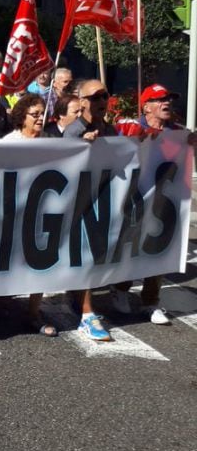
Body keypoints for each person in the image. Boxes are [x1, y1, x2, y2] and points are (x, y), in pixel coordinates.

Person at [111, 84, 197, 325]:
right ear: (146, 106)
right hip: (133, 199)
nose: (166, 102)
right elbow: (108, 150)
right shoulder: (128, 126)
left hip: (163, 202)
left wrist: (191, 144)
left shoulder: (179, 132)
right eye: (160, 99)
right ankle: (121, 288)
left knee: (159, 248)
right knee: (130, 245)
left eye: (168, 98)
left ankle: (151, 301)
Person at [0, 94, 58, 337]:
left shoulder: (52, 142)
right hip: (14, 211)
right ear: (22, 116)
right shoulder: (9, 143)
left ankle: (34, 312)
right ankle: (0, 303)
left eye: (43, 113)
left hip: (42, 211)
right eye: (35, 114)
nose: (40, 118)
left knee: (40, 261)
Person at [61, 79, 115, 341]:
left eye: (104, 95)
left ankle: (81, 298)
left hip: (103, 200)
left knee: (93, 256)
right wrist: (83, 143)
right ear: (81, 101)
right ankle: (86, 314)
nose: (101, 101)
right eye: (95, 97)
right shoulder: (74, 130)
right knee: (84, 255)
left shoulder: (110, 129)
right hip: (78, 203)